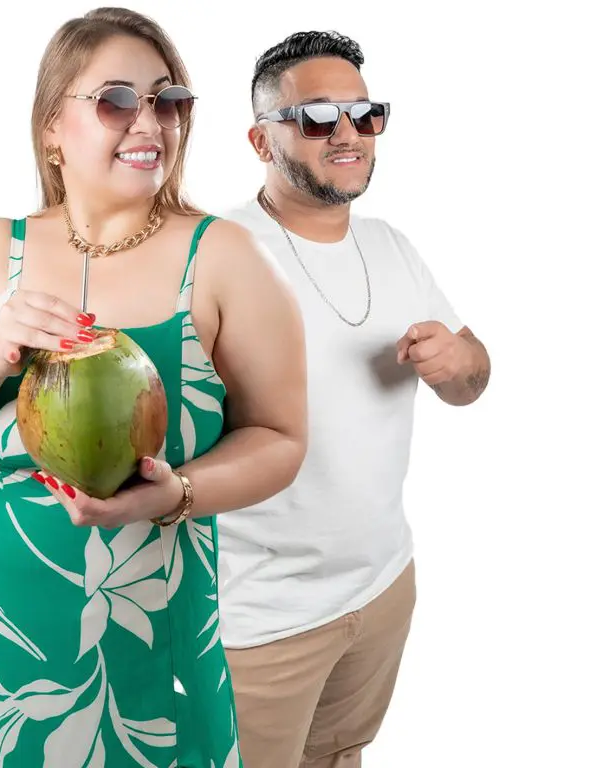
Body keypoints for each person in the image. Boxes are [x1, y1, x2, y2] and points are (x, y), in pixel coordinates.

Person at [0, 7, 308, 766]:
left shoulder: (224, 257)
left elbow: (282, 438)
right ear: (50, 127)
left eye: (169, 102)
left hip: (150, 644)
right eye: (116, 101)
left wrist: (180, 493)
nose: (150, 125)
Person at [216, 30, 492, 768]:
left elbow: (473, 381)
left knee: (341, 758)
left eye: (365, 114)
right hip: (258, 617)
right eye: (316, 117)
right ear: (259, 138)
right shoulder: (216, 253)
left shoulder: (392, 245)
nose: (347, 134)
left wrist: (461, 361)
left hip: (381, 588)